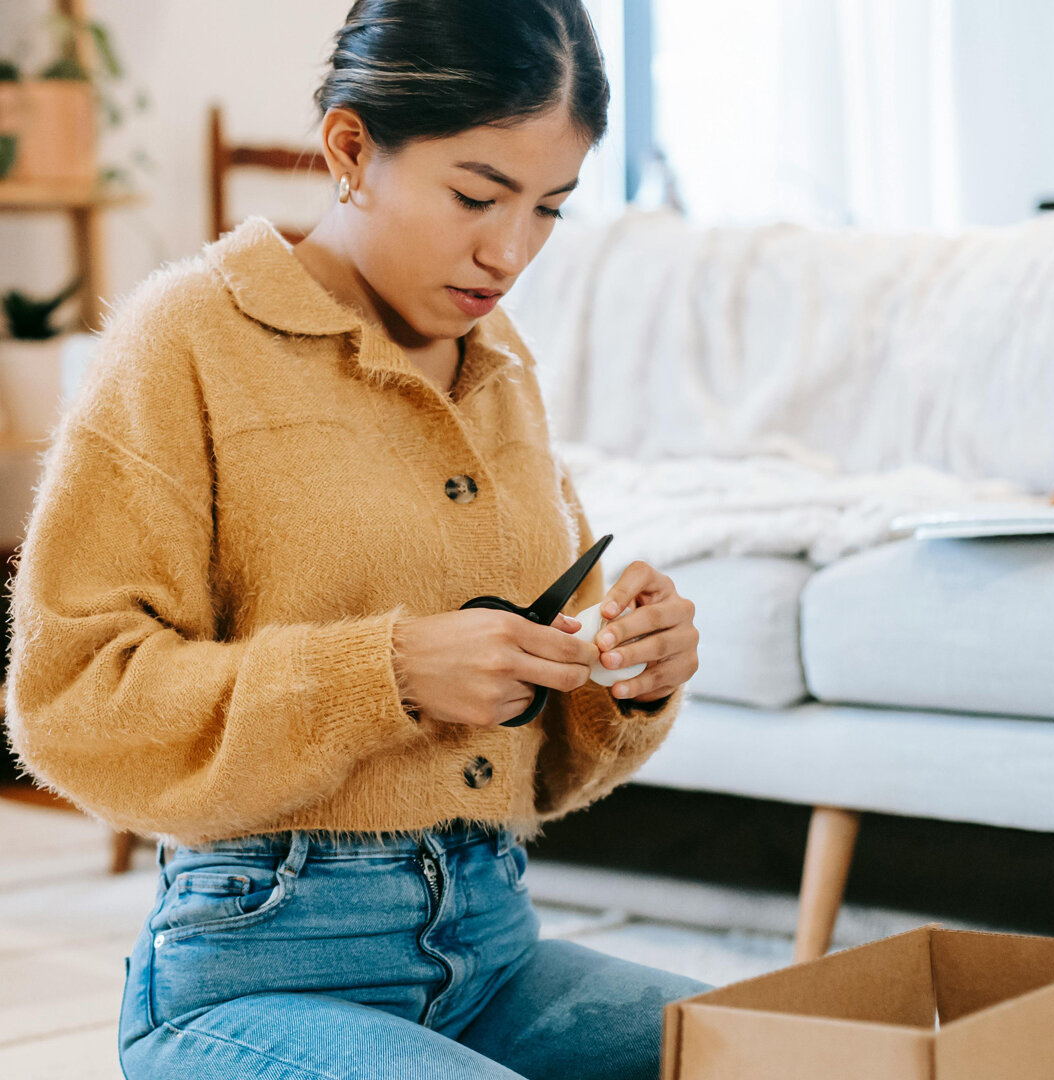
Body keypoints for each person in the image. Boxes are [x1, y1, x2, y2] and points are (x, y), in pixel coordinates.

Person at [4, 1, 709, 1077]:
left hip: (495, 953)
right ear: (350, 149)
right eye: (476, 195)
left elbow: (547, 766)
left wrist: (622, 674)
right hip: (256, 968)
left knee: (799, 1046)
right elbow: (70, 703)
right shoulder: (184, 339)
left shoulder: (498, 363)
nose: (508, 250)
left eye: (550, 209)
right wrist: (387, 673)